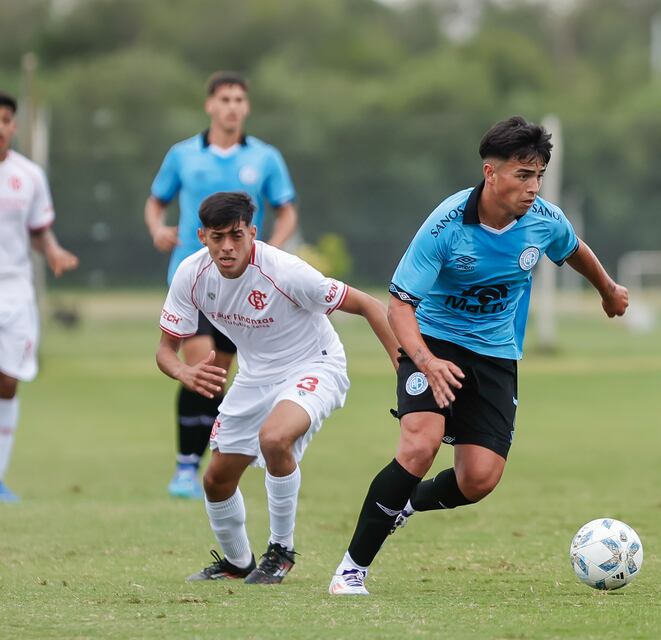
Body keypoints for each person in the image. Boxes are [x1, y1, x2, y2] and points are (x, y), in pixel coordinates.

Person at [328, 115, 629, 595]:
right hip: (432, 341)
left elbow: (573, 249)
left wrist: (608, 290)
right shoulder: (447, 224)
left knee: (479, 479)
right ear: (491, 174)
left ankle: (408, 504)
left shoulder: (544, 222)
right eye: (523, 175)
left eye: (539, 176)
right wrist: (424, 360)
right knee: (420, 445)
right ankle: (351, 571)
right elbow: (400, 305)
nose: (533, 187)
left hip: (494, 353)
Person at [157, 191, 399, 583]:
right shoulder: (191, 273)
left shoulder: (286, 271)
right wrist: (183, 374)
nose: (227, 247)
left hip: (316, 363)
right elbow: (166, 350)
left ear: (253, 232)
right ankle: (238, 563)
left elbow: (370, 306)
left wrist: (405, 370)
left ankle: (281, 551)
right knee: (216, 480)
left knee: (274, 439)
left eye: (236, 236)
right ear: (202, 236)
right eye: (217, 237)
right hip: (255, 376)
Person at [145, 71, 299, 499]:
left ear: (246, 107)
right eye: (225, 99)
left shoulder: (265, 158)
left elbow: (286, 211)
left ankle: (208, 460)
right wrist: (157, 227)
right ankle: (187, 467)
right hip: (192, 278)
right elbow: (156, 200)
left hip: (242, 283)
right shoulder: (182, 155)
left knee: (217, 372)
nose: (232, 106)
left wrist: (271, 249)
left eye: (239, 99)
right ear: (210, 105)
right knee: (203, 365)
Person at [0, 92, 79, 503]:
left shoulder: (28, 175)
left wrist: (53, 252)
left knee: (9, 381)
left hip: (14, 288)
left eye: (5, 119)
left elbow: (38, 229)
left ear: (14, 126)